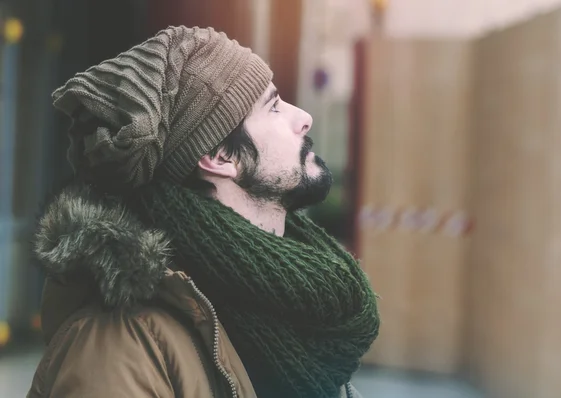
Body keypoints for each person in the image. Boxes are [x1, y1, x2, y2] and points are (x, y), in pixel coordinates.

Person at [27, 26, 380, 398]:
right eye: (273, 106)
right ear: (220, 157)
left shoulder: (300, 310)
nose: (303, 117)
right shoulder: (122, 347)